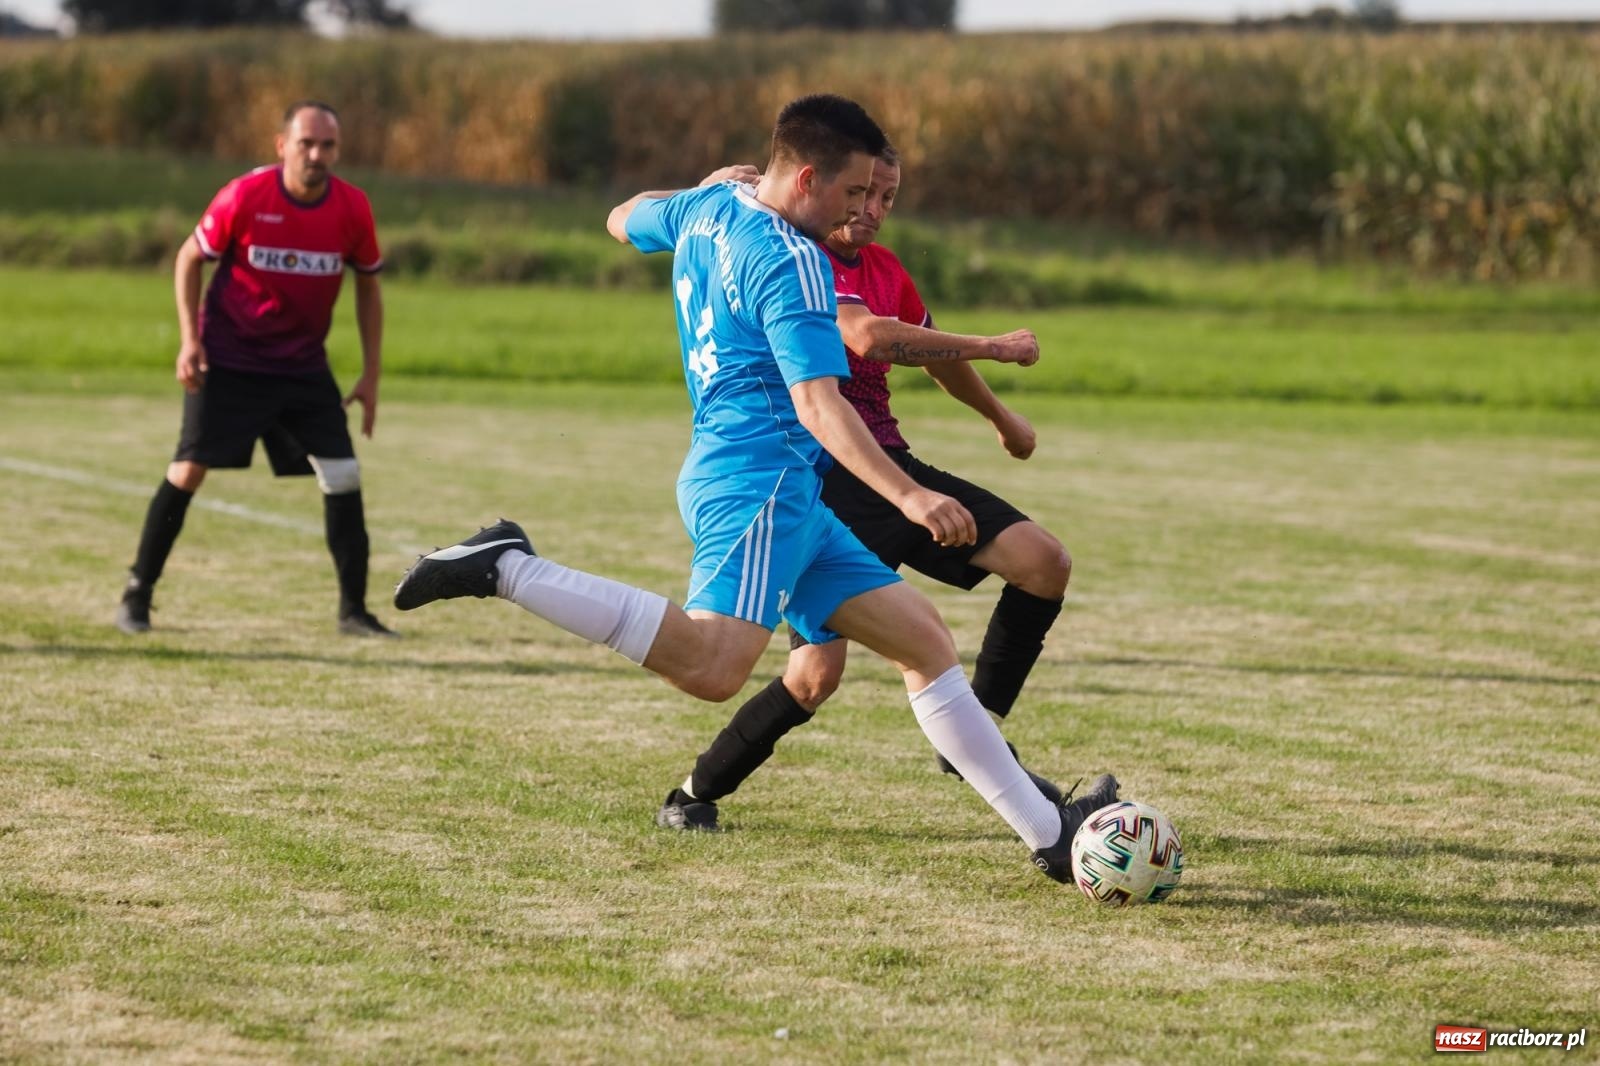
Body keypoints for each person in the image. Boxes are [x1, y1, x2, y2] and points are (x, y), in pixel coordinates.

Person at [392, 94, 1116, 882]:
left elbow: (620, 216)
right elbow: (819, 406)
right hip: (759, 479)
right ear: (806, 178)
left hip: (780, 486)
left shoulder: (709, 204)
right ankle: (506, 566)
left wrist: (697, 188)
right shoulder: (793, 260)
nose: (857, 214)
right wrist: (910, 496)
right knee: (711, 666)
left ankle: (1048, 836)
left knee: (924, 640)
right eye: (850, 194)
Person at [656, 147, 1075, 832]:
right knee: (814, 677)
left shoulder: (885, 269)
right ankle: (693, 793)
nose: (871, 211)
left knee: (1043, 563)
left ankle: (980, 740)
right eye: (863, 193)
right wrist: (995, 344)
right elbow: (871, 339)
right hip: (823, 478)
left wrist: (1001, 417)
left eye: (888, 198)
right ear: (822, 186)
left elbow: (929, 349)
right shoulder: (794, 255)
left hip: (890, 463)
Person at [115, 100, 394, 638]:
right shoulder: (246, 195)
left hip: (302, 368)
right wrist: (189, 340)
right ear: (281, 145)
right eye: (306, 143)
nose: (317, 154)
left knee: (342, 474)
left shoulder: (353, 208)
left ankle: (354, 613)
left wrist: (372, 373)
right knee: (188, 469)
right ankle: (137, 595)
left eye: (328, 145)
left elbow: (369, 286)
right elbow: (189, 258)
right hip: (230, 361)